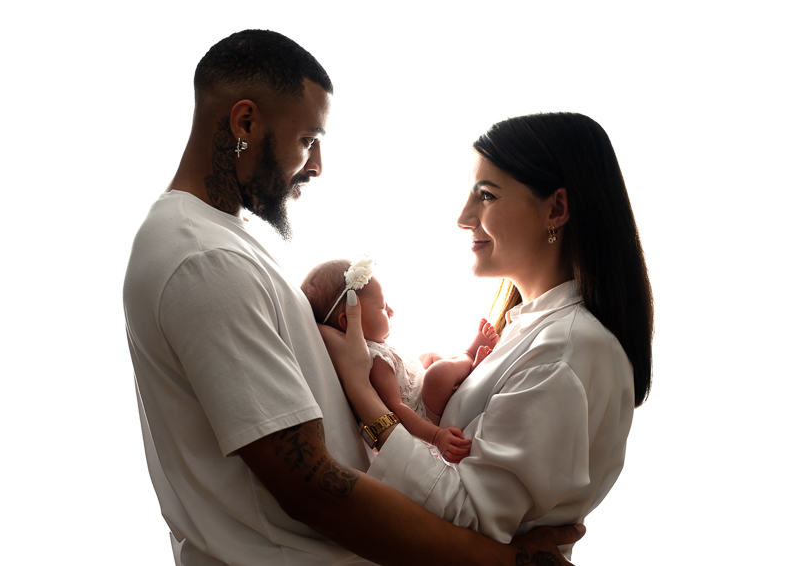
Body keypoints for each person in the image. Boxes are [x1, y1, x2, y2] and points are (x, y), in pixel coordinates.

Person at [123, 29, 583, 566]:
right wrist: (502, 563)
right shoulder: (204, 260)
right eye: (306, 140)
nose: (316, 165)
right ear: (245, 123)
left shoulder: (220, 242)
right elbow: (311, 486)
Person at [322, 112, 653, 562]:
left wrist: (364, 392)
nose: (463, 217)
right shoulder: (528, 329)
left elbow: (468, 517)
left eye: (487, 195)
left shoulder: (568, 348)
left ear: (556, 208)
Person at [301, 257, 499, 464]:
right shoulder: (373, 361)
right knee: (435, 375)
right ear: (349, 321)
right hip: (421, 415)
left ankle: (458, 376)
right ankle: (468, 357)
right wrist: (437, 437)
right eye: (382, 307)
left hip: (420, 396)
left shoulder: (373, 350)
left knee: (427, 357)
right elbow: (396, 408)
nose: (391, 311)